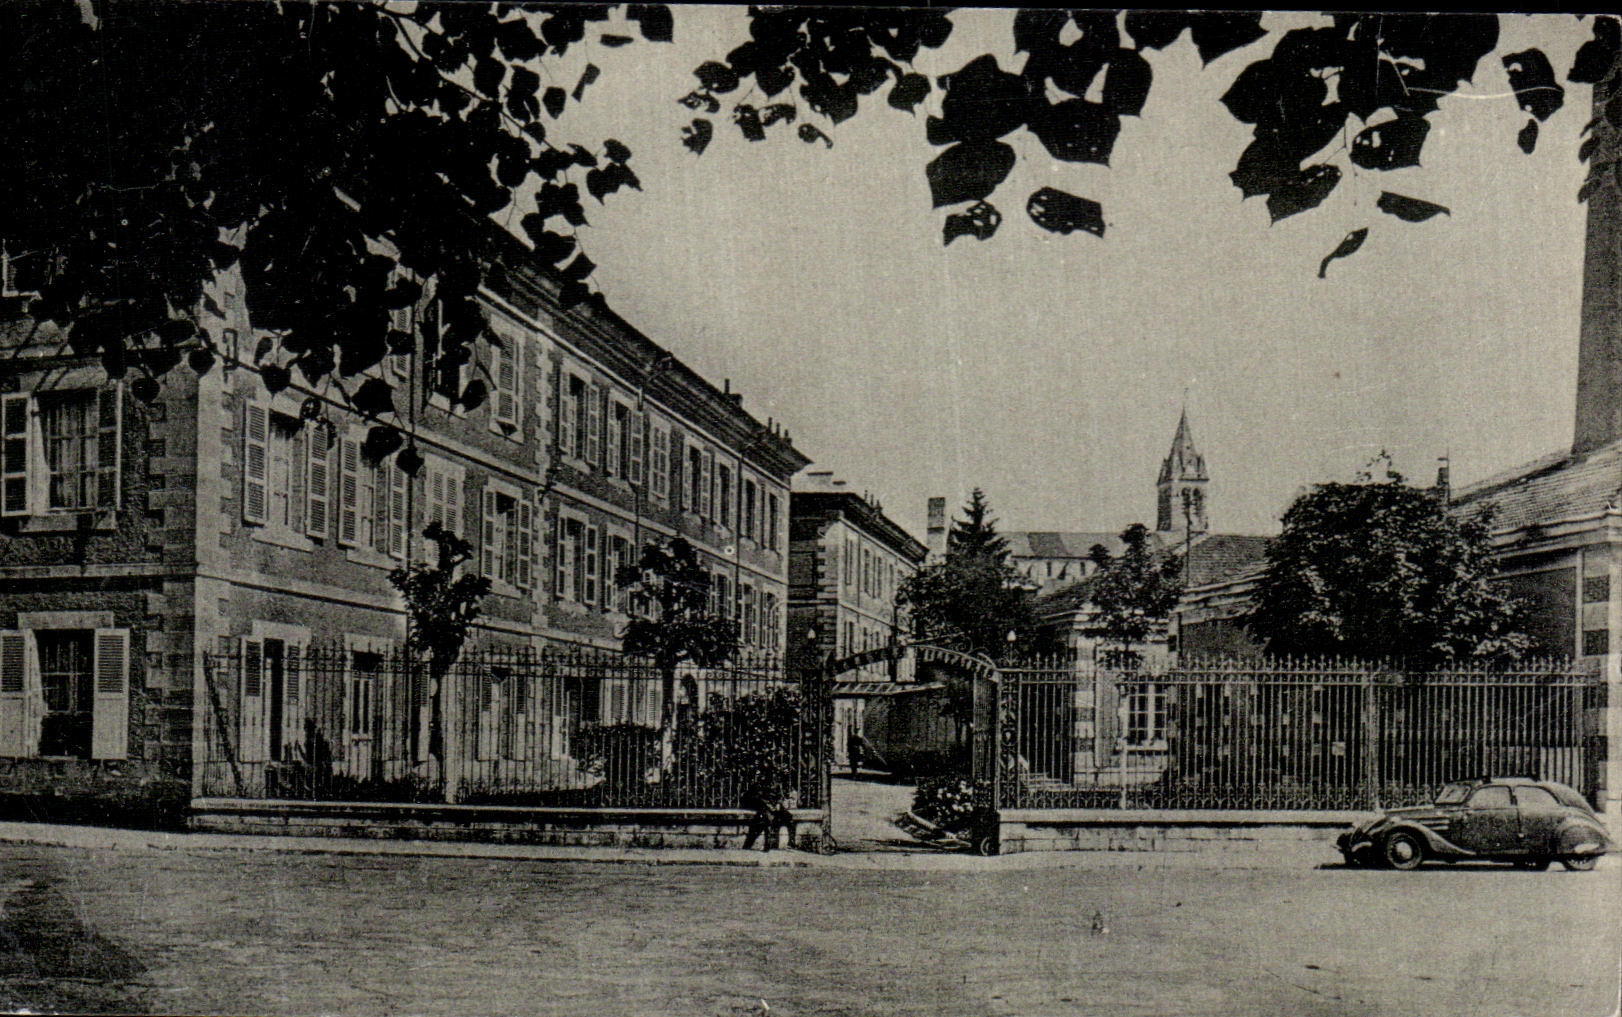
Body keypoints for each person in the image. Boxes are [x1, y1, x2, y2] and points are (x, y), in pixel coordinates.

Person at [741, 782, 793, 851]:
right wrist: (769, 805)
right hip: (762, 811)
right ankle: (766, 845)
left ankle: (790, 843)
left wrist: (778, 803)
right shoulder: (758, 783)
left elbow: (780, 796)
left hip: (773, 811)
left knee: (788, 817)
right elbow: (755, 797)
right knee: (761, 825)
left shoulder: (776, 784)